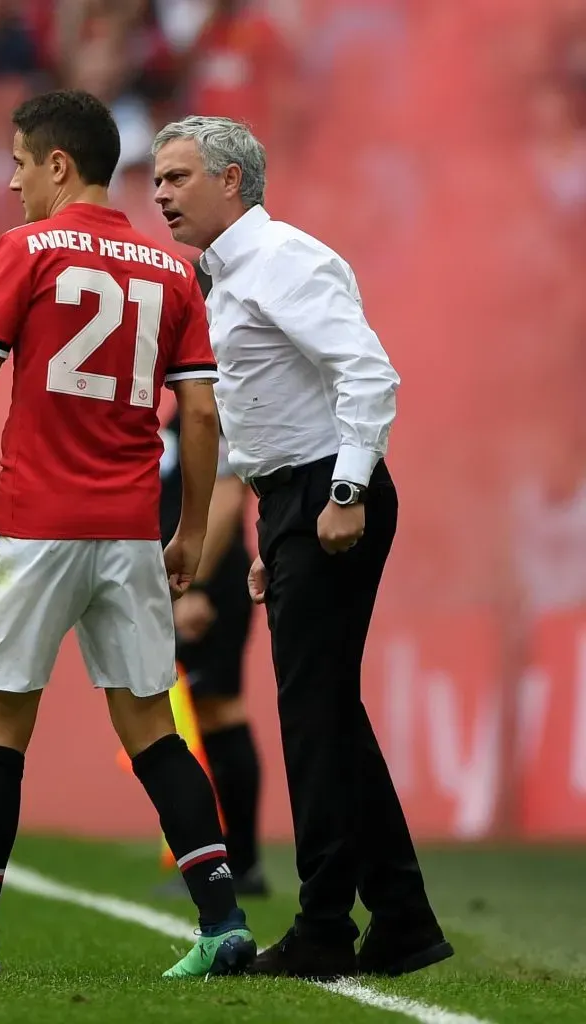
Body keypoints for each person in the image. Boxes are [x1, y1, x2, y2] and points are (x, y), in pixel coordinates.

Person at [0, 91, 256, 980]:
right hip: (129, 531)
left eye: (20, 163)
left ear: (59, 164)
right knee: (154, 730)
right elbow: (200, 412)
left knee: (1, 731)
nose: (13, 182)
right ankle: (223, 920)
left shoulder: (26, 249)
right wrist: (188, 530)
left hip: (36, 525)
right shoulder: (174, 272)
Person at [152, 115, 453, 981]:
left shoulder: (282, 259)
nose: (161, 194)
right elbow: (272, 414)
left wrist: (344, 492)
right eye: (158, 179)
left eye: (177, 177)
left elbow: (368, 372)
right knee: (329, 715)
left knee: (314, 717)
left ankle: (326, 926)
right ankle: (401, 918)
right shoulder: (228, 275)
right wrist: (272, 525)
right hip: (295, 498)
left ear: (232, 180)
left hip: (328, 490)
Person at [157, 262, 266, 898]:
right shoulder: (194, 392)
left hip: (207, 585)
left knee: (219, 711)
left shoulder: (220, 393)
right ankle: (232, 862)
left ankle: (238, 864)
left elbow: (227, 497)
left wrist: (192, 587)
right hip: (189, 580)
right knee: (206, 713)